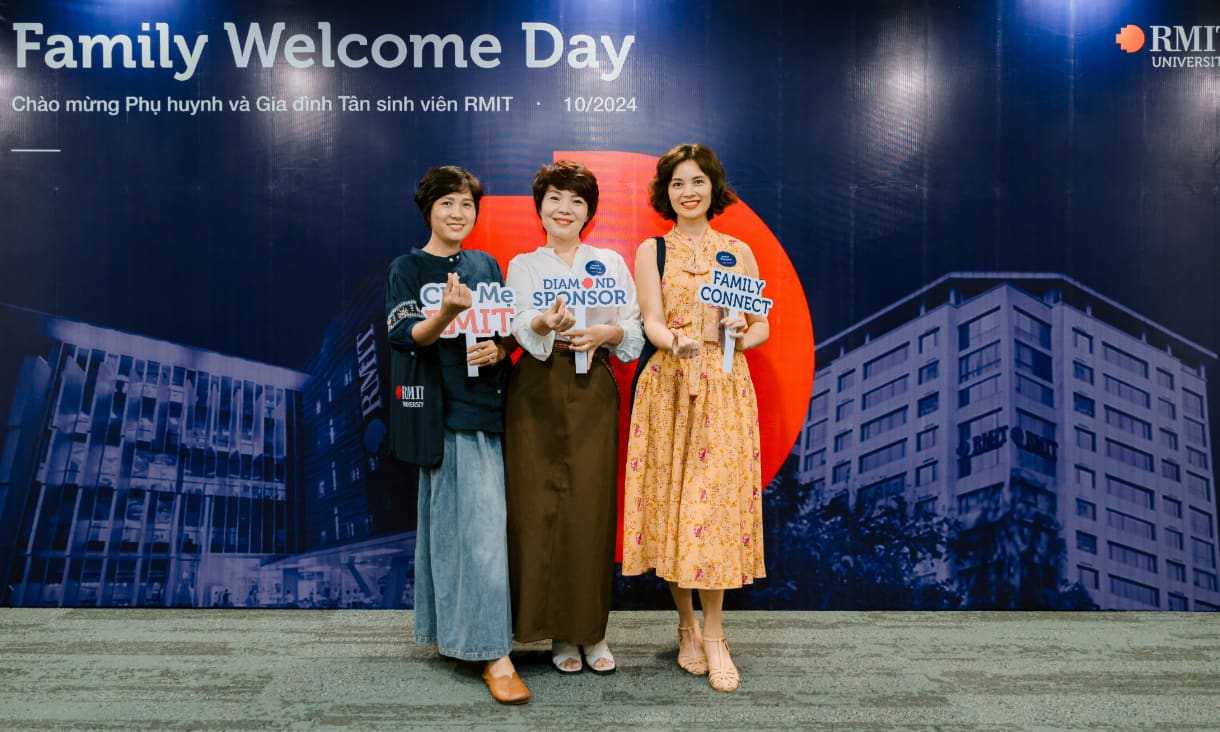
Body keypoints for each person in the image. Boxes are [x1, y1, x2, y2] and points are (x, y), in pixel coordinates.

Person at [622, 144, 770, 693]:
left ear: (714, 188)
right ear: (668, 192)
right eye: (679, 182)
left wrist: (738, 331)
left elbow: (760, 328)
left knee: (710, 508)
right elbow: (652, 322)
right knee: (673, 507)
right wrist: (676, 344)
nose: (689, 191)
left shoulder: (738, 251)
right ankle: (684, 625)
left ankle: (714, 634)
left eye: (698, 181)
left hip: (726, 390)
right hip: (668, 384)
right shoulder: (651, 251)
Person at [385, 165, 528, 705]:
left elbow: (502, 332)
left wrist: (500, 349)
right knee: (458, 533)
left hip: (487, 410)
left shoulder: (485, 264)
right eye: (447, 203)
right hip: (440, 417)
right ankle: (494, 653)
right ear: (429, 209)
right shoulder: (406, 267)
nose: (457, 213)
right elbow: (406, 336)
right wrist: (445, 311)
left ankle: (465, 638)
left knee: (479, 534)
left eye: (467, 204)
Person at [504, 161, 643, 675]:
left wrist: (606, 335)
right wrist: (545, 321)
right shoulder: (523, 265)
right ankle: (558, 634)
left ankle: (592, 632)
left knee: (590, 507)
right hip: (537, 389)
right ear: (540, 205)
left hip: (593, 390)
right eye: (556, 198)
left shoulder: (609, 261)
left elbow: (632, 329)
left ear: (589, 211)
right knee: (539, 509)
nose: (565, 209)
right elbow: (518, 324)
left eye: (577, 201)